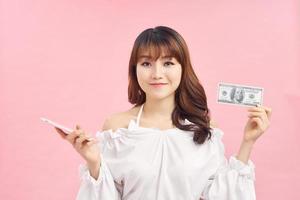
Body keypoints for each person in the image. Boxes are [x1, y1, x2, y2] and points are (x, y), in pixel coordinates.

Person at [55, 26, 272, 200]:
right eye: (146, 63)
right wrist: (94, 163)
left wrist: (247, 142)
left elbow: (220, 195)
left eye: (168, 63)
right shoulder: (117, 127)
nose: (157, 74)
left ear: (182, 68)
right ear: (134, 69)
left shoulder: (203, 128)